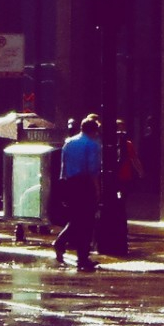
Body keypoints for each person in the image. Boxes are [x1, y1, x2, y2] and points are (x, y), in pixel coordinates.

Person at [53, 114, 102, 272]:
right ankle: (82, 257)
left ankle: (61, 243)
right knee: (86, 221)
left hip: (70, 183)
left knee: (76, 218)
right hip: (85, 183)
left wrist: (63, 187)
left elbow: (63, 167)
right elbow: (93, 170)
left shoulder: (69, 142)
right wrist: (97, 190)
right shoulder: (93, 145)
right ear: (94, 131)